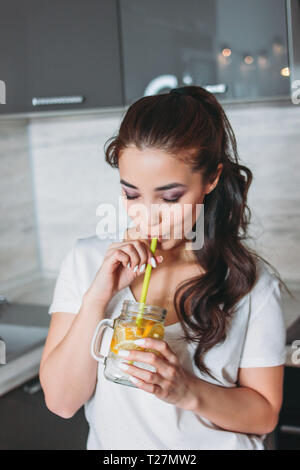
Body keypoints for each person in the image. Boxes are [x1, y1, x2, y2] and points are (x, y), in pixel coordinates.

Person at [39, 86, 291, 450]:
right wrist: (98, 297)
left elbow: (264, 414)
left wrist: (186, 390)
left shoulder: (250, 282)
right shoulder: (88, 262)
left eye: (170, 197)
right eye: (131, 194)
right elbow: (61, 403)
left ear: (212, 179)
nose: (148, 215)